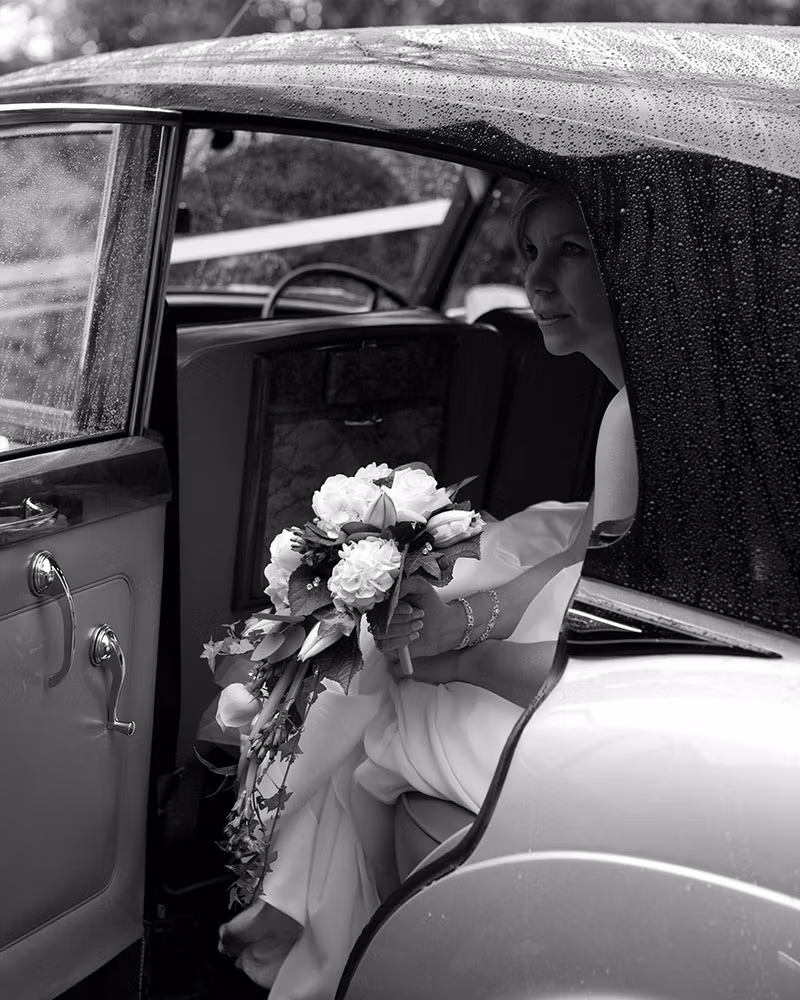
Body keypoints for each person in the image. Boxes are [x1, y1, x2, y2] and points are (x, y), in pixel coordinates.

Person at [217, 177, 638, 998]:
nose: (536, 280)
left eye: (571, 251)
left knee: (379, 712)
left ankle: (313, 918)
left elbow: (600, 648)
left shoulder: (635, 420)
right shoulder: (637, 403)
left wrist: (463, 662)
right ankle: (290, 894)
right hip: (576, 638)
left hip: (593, 698)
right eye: (528, 252)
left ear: (630, 265)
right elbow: (576, 556)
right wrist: (465, 621)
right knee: (386, 654)